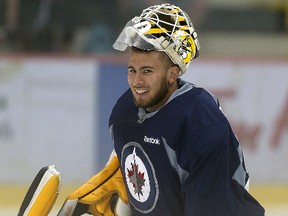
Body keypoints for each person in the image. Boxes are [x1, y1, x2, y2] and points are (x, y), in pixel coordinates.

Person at [109, 3, 265, 216]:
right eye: (132, 70)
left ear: (172, 75)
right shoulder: (124, 111)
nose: (136, 81)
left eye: (147, 71)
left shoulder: (200, 124)